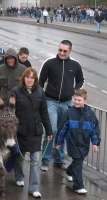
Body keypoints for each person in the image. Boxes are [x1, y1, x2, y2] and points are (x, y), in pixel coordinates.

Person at [39, 40, 85, 172]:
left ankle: (59, 160)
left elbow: (81, 80)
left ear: (70, 51)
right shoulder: (49, 63)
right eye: (60, 50)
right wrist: (40, 97)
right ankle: (45, 160)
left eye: (65, 51)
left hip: (67, 103)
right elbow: (41, 80)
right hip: (51, 102)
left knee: (62, 131)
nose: (62, 53)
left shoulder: (75, 65)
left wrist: (75, 89)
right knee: (51, 131)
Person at [11, 67, 53, 198]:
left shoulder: (40, 92)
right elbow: (10, 113)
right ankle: (19, 177)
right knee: (19, 158)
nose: (29, 80)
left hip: (35, 131)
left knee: (35, 160)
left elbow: (44, 113)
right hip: (20, 131)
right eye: (27, 77)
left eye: (32, 78)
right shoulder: (15, 91)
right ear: (23, 78)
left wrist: (49, 130)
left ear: (35, 80)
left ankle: (34, 188)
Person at [55, 89, 100, 194]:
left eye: (79, 100)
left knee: (77, 162)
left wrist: (95, 143)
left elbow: (95, 130)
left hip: (84, 143)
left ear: (85, 101)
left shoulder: (90, 114)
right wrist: (59, 142)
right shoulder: (69, 113)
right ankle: (78, 186)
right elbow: (62, 129)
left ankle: (69, 171)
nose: (76, 102)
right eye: (75, 99)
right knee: (78, 162)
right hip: (73, 142)